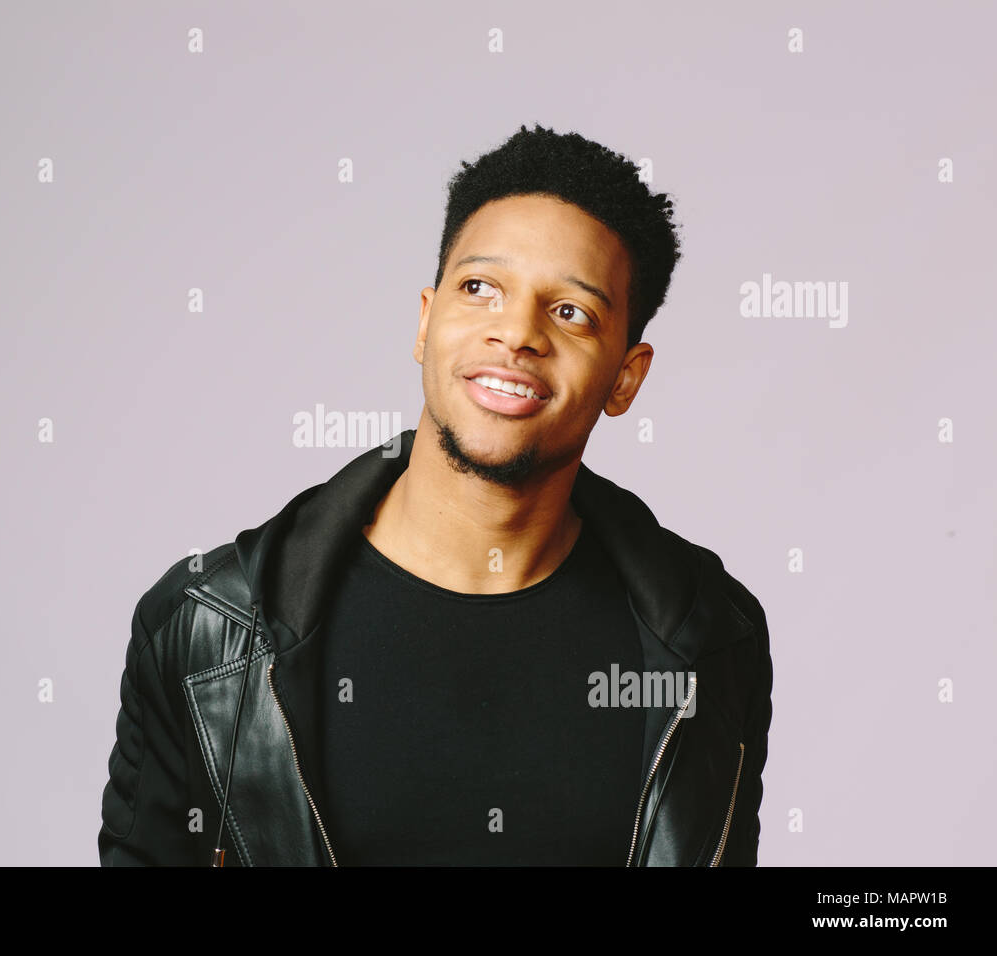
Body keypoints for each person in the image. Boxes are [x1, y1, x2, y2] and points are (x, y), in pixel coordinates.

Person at [98, 123, 773, 866]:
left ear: (626, 377)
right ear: (426, 320)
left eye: (571, 311)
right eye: (479, 288)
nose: (515, 333)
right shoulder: (207, 634)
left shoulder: (711, 636)